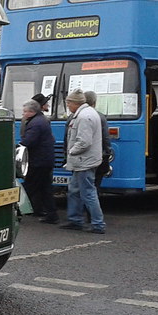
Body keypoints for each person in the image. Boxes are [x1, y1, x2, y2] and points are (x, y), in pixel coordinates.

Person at [60, 89, 105, 234]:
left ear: (75, 103)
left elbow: (84, 142)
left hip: (83, 161)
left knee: (88, 193)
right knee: (74, 190)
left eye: (68, 103)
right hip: (83, 160)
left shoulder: (84, 117)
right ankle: (75, 220)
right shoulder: (87, 114)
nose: (68, 106)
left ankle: (97, 224)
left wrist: (71, 151)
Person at [19, 99, 58, 224]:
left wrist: (17, 147)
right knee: (45, 189)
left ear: (32, 112)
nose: (23, 114)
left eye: (25, 111)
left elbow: (28, 141)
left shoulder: (35, 124)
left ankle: (16, 211)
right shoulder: (41, 120)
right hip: (45, 160)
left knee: (28, 187)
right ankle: (52, 214)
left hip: (38, 161)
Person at [85, 90, 112, 192]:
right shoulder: (100, 116)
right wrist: (107, 152)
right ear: (94, 102)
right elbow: (106, 138)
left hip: (80, 159)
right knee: (95, 186)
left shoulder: (73, 116)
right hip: (97, 156)